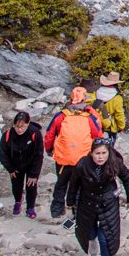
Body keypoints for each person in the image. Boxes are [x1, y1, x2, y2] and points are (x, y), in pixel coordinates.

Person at [66, 136, 129, 256]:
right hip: (87, 202)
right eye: (97, 153)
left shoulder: (115, 162)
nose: (101, 156)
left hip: (108, 202)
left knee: (105, 238)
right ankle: (92, 242)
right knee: (90, 233)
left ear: (108, 152)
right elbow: (74, 183)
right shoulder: (82, 164)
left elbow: (127, 178)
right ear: (91, 153)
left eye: (104, 153)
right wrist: (70, 201)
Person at [45, 86, 104, 220]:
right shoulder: (89, 118)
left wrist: (49, 150)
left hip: (63, 158)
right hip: (83, 159)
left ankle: (56, 212)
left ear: (71, 99)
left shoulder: (61, 116)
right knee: (80, 186)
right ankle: (78, 213)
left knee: (61, 184)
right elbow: (98, 136)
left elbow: (49, 136)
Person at [0, 112, 44, 219]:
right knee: (16, 186)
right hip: (15, 165)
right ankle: (18, 201)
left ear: (28, 124)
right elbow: (3, 153)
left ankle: (30, 207)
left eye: (22, 127)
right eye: (17, 127)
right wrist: (10, 168)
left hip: (31, 164)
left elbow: (39, 155)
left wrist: (34, 173)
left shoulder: (35, 133)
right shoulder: (8, 135)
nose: (19, 129)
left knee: (31, 185)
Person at [96, 72, 126, 146]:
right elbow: (119, 114)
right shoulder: (117, 98)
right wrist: (121, 126)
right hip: (109, 126)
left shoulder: (96, 92)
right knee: (109, 149)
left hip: (96, 123)